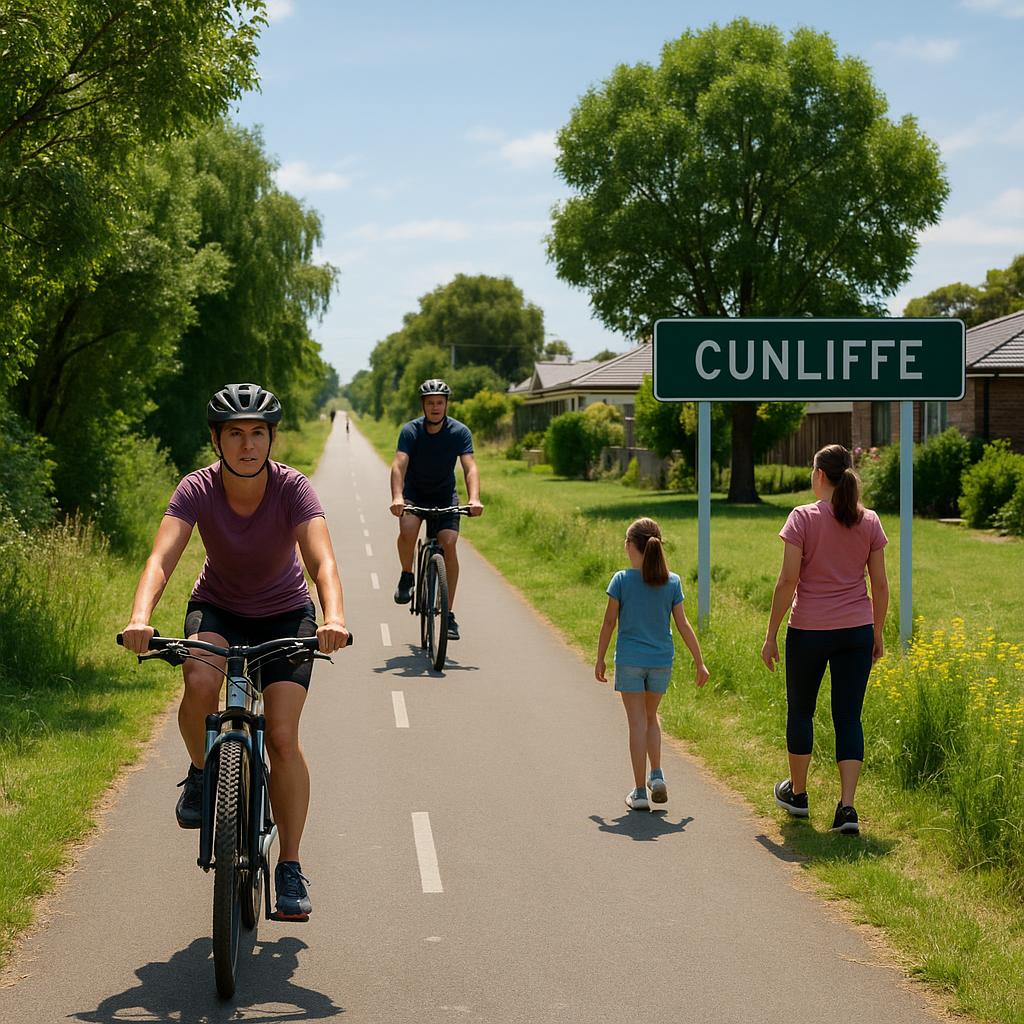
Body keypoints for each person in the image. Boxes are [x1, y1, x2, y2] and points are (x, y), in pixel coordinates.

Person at [120, 383, 350, 920]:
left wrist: (333, 617)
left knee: (285, 737)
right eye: (235, 434)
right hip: (218, 607)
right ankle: (203, 771)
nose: (247, 445)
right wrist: (139, 618)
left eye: (257, 433)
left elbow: (323, 564)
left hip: (286, 613)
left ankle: (289, 864)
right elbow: (161, 559)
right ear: (217, 441)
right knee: (201, 684)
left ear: (271, 438)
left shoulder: (293, 488)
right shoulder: (197, 488)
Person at [761, 443, 889, 836]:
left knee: (801, 711)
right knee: (848, 716)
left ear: (819, 475)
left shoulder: (802, 518)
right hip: (856, 631)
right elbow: (880, 585)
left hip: (809, 630)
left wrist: (770, 634)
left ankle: (797, 796)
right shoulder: (868, 520)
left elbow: (787, 581)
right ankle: (847, 809)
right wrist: (878, 631)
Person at [595, 517, 709, 811]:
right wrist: (699, 662)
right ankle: (656, 775)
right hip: (661, 662)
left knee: (636, 723)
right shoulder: (672, 581)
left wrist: (600, 658)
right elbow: (682, 624)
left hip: (631, 661)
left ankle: (639, 792)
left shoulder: (621, 580)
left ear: (632, 546)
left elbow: (609, 622)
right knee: (651, 717)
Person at [389, 378, 483, 640]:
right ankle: (407, 575)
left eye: (439, 402)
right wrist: (398, 497)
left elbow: (470, 466)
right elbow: (399, 465)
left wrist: (474, 498)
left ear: (446, 405)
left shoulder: (459, 432)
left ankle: (449, 614)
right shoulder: (411, 431)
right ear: (423, 405)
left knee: (449, 543)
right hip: (415, 493)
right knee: (408, 529)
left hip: (444, 495)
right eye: (430, 403)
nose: (435, 407)